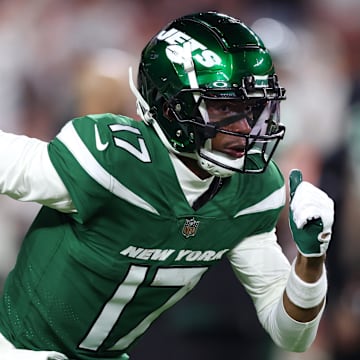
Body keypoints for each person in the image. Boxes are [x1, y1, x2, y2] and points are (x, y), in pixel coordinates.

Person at [0, 11, 334, 360]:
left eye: (252, 108)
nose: (246, 127)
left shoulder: (253, 190)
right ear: (171, 108)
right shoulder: (112, 161)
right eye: (224, 107)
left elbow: (292, 334)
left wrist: (311, 259)